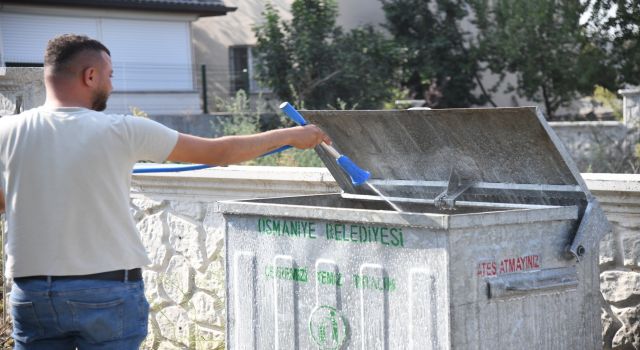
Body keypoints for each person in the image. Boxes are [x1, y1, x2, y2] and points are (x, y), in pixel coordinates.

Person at [0, 34, 330, 349]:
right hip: (107, 288)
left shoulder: (6, 131)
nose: (111, 85)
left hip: (32, 291)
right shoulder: (123, 130)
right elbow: (218, 152)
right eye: (109, 76)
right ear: (90, 76)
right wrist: (289, 136)